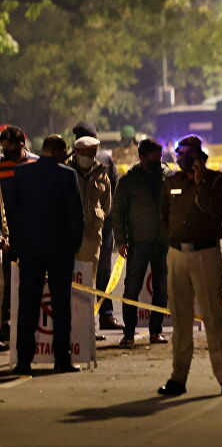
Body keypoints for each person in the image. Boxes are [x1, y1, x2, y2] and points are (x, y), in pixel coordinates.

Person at [157, 135, 222, 396]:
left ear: (199, 159)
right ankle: (178, 378)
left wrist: (200, 182)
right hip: (177, 254)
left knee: (213, 315)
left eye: (186, 157)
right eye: (178, 157)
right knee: (180, 318)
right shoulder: (171, 183)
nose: (180, 161)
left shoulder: (217, 180)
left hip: (205, 253)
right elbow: (164, 217)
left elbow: (214, 211)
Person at [8, 135, 84, 375]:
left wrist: (18, 246)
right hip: (60, 251)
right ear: (60, 152)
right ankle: (62, 359)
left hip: (30, 250)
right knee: (61, 306)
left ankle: (23, 361)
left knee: (28, 305)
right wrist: (73, 247)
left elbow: (14, 213)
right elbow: (76, 216)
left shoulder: (22, 174)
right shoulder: (67, 175)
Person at [112, 138, 170, 347]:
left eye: (160, 157)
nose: (158, 161)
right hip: (139, 242)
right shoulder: (128, 181)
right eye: (154, 158)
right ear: (142, 157)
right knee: (131, 288)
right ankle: (129, 333)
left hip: (163, 241)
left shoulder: (168, 177)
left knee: (161, 289)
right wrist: (121, 240)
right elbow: (117, 212)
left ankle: (156, 331)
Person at [73, 122, 124, 331]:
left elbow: (110, 196)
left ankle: (103, 315)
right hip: (81, 231)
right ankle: (90, 320)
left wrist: (106, 223)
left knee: (100, 272)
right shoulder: (68, 165)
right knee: (90, 274)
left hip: (99, 230)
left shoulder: (103, 162)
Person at [0, 125, 37, 351]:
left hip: (34, 234)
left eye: (10, 148)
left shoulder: (35, 163)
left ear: (22, 144)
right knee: (7, 283)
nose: (6, 152)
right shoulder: (1, 165)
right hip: (9, 235)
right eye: (4, 148)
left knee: (32, 281)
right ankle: (5, 326)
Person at [68, 136, 112, 272]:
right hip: (67, 236)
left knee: (88, 276)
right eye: (84, 153)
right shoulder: (66, 172)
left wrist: (98, 216)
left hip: (91, 236)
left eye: (91, 153)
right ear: (76, 152)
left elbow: (107, 205)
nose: (88, 157)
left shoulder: (102, 175)